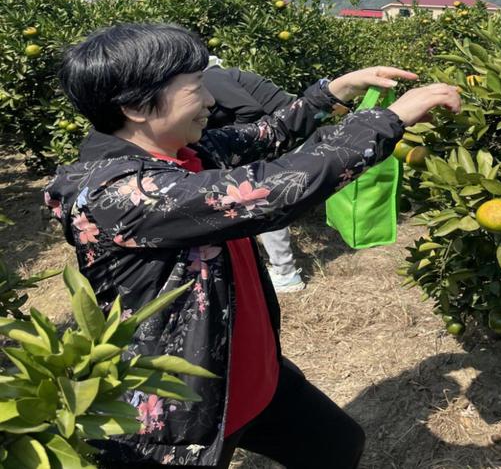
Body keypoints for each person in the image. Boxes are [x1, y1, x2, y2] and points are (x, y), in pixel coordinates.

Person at [45, 23, 461, 468]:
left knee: (336, 446)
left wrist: (332, 93)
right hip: (178, 405)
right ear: (135, 106)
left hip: (242, 371)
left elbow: (267, 135)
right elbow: (273, 192)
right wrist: (387, 120)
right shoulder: (116, 194)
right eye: (194, 88)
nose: (210, 100)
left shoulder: (187, 152)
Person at [203, 58, 309, 293]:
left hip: (281, 131)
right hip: (282, 128)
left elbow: (250, 110)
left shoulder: (210, 76)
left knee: (259, 198)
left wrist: (233, 144)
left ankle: (286, 272)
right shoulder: (217, 74)